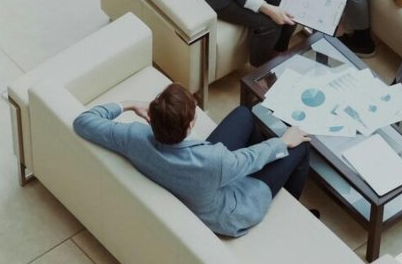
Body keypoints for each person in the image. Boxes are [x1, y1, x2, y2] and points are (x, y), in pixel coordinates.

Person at [73, 83, 314, 237]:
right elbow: (249, 159)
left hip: (197, 179)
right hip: (227, 211)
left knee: (244, 115)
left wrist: (129, 104)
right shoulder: (214, 160)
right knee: (300, 149)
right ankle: (287, 203)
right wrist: (283, 141)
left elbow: (83, 121)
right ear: (190, 124)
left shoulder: (133, 137)